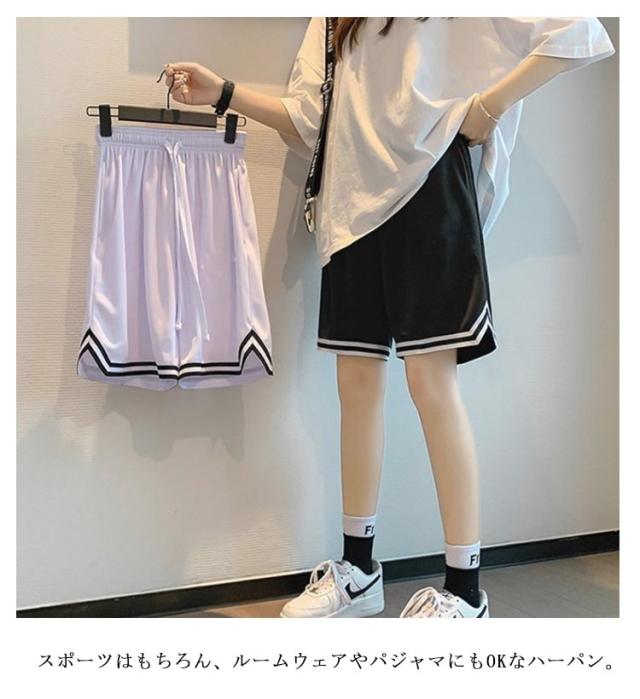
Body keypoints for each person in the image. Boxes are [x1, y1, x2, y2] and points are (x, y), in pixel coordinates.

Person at [164, 16, 615, 618]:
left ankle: (466, 592)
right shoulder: (333, 16)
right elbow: (311, 120)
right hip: (349, 206)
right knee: (355, 385)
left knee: (431, 384)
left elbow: (578, 30)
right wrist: (223, 93)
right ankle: (359, 570)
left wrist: (487, 107)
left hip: (430, 189)